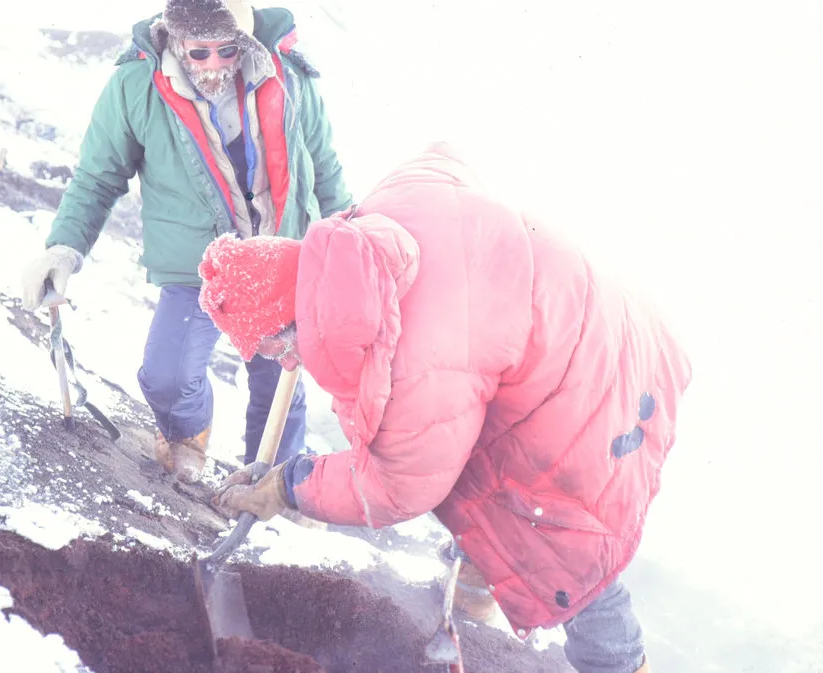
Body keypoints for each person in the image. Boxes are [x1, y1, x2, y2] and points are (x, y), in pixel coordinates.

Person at [199, 142, 692, 673]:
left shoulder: (419, 357)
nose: (280, 359)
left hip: (591, 383)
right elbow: (444, 161)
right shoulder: (366, 237)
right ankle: (482, 572)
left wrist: (288, 485)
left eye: (272, 346)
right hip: (586, 316)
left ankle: (620, 664)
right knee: (462, 446)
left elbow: (398, 486)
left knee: (565, 545)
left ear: (292, 318)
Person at [20, 0, 352, 483]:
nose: (215, 65)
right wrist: (64, 248)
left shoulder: (289, 77)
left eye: (227, 51)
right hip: (197, 263)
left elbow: (324, 167)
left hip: (279, 257)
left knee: (278, 379)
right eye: (200, 54)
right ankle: (186, 433)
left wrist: (349, 243)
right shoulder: (135, 87)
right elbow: (98, 177)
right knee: (167, 376)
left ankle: (274, 484)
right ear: (175, 40)